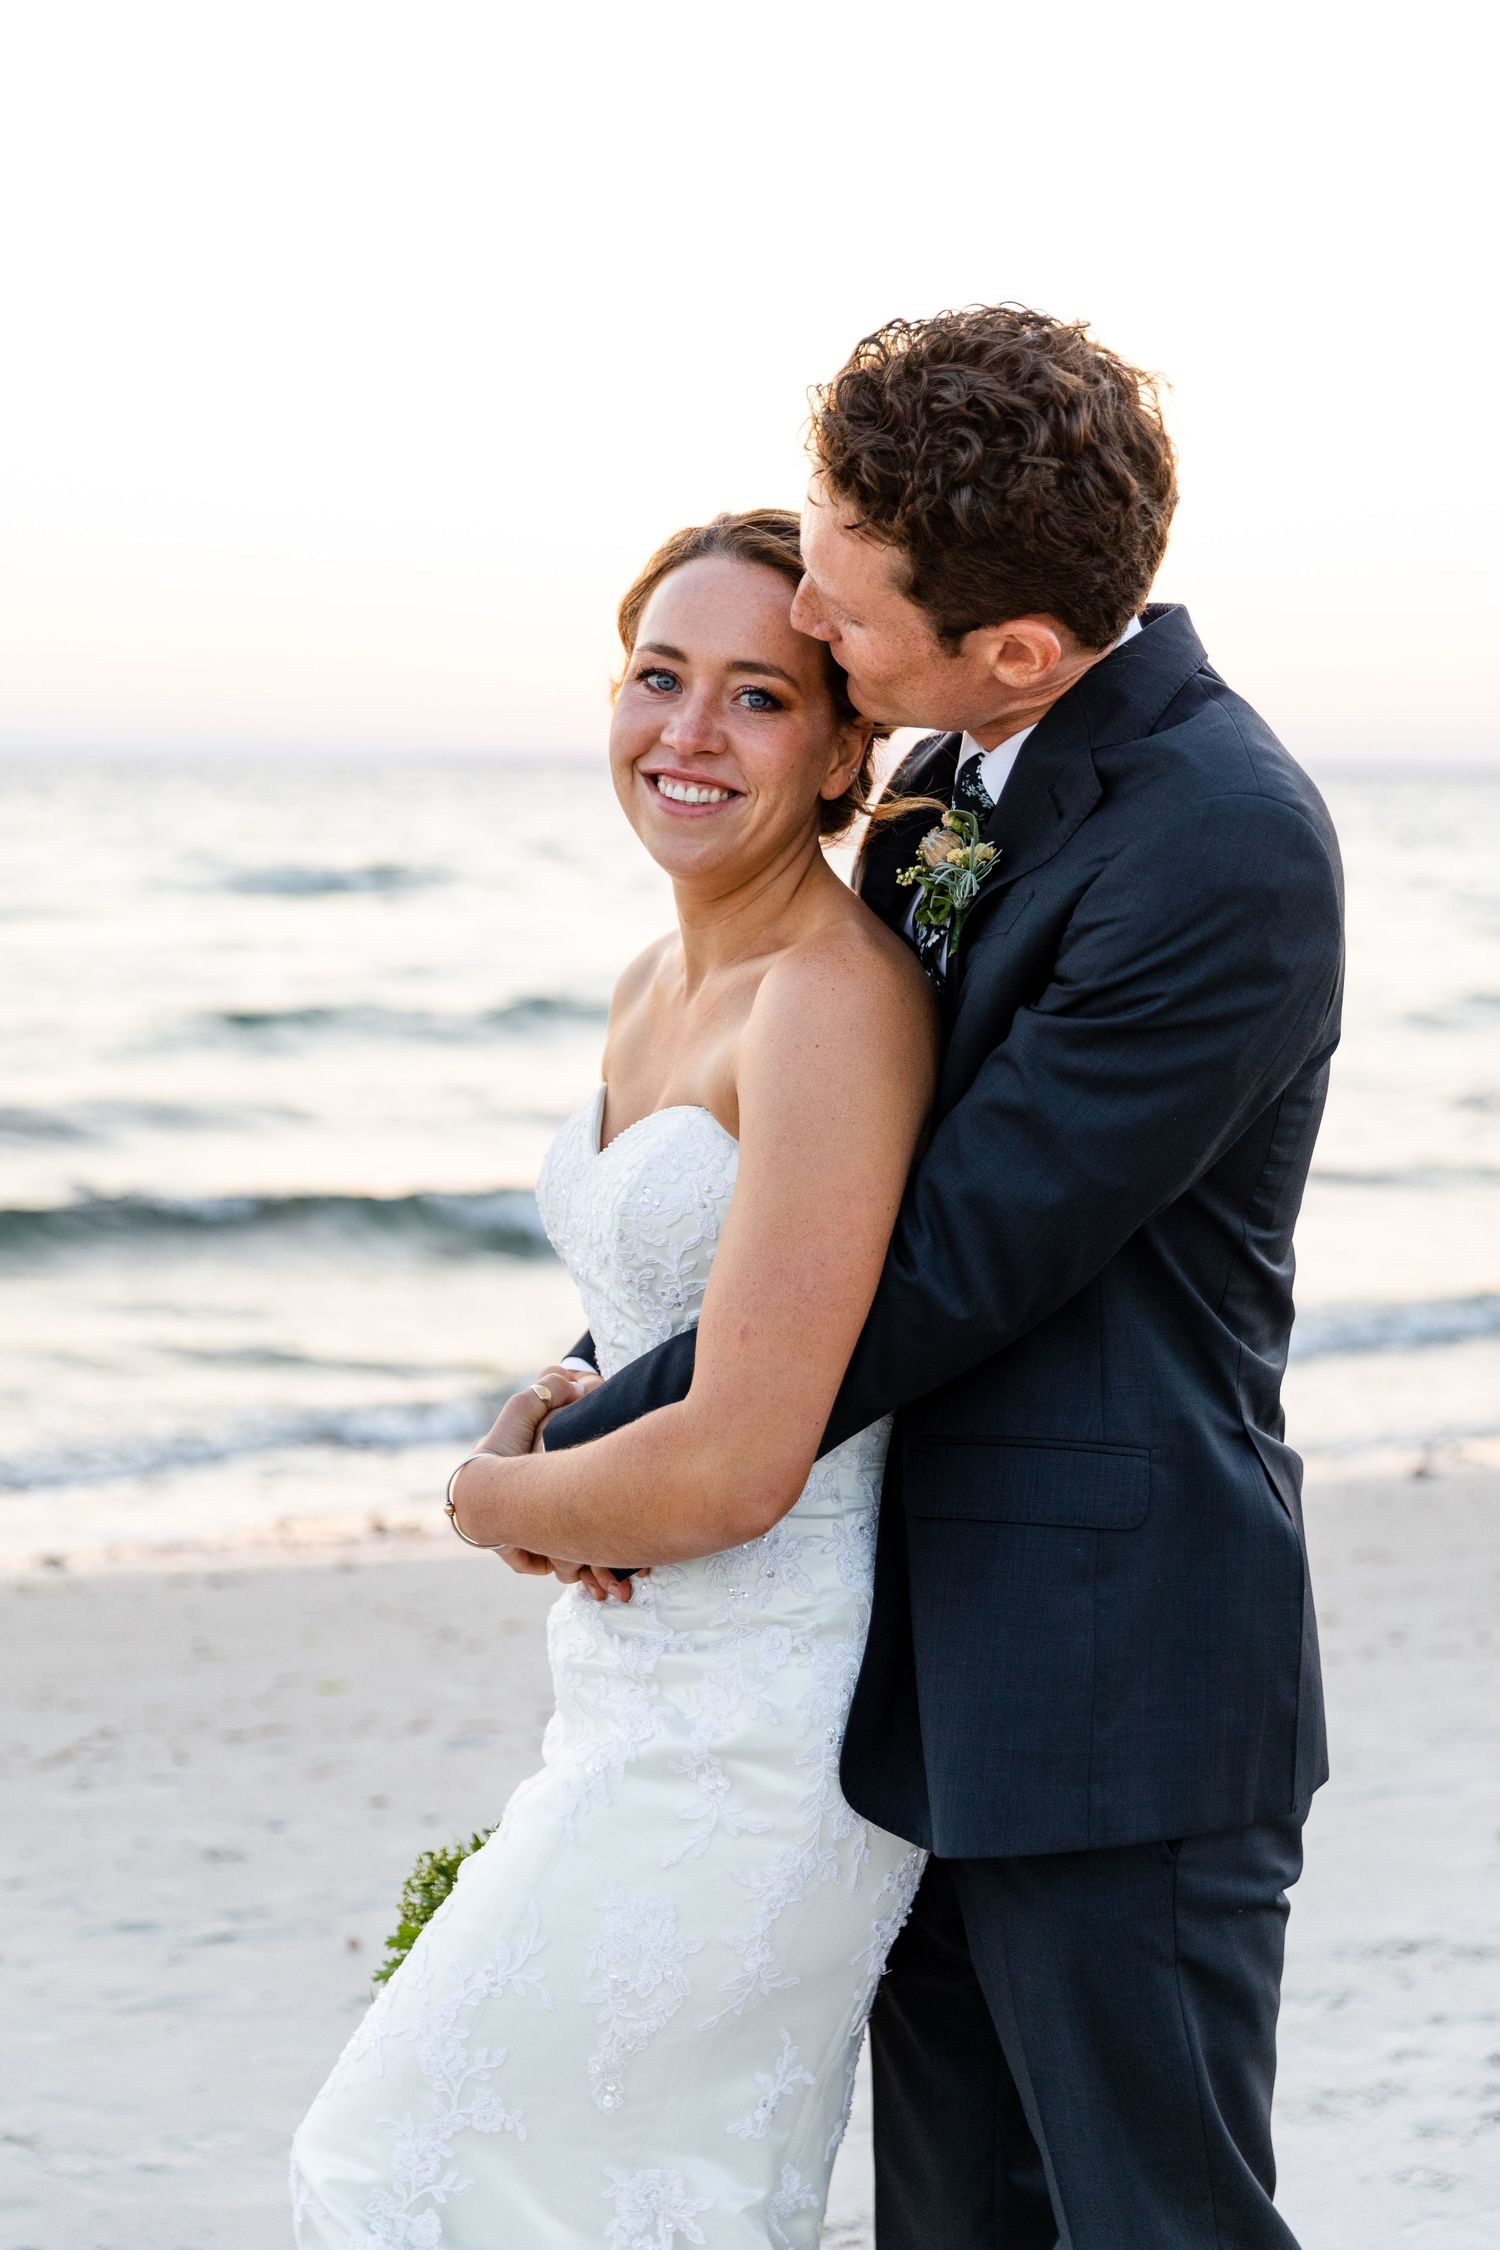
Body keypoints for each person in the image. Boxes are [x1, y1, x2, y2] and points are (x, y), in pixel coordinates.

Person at [541, 306, 1345, 2248]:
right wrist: (602, 1361)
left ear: (1014, 651)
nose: (811, 605)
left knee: (1156, 2220)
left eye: (846, 590)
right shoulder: (953, 792)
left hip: (1113, 1678)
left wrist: (591, 1447)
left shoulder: (1219, 846)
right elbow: (807, 1182)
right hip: (912, 1678)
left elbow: (948, 1254)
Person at [289, 509, 939, 2248]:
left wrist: (489, 1496)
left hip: (763, 1731)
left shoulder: (830, 1000)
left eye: (757, 697)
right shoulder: (658, 975)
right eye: (660, 678)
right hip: (629, 1690)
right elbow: (666, 1293)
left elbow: (739, 1463)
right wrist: (563, 1390)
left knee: (387, 2168)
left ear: (842, 748)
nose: (689, 735)